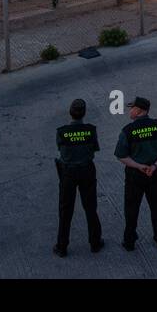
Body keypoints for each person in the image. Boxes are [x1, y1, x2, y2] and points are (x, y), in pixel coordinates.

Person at [114, 96, 157, 250]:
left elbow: (121, 156)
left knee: (131, 208)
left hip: (135, 176)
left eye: (132, 108)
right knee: (156, 207)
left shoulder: (128, 131)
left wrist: (139, 166)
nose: (130, 110)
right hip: (155, 174)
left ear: (139, 110)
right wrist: (154, 166)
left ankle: (129, 242)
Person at [54, 98, 104, 257]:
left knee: (65, 210)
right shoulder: (90, 130)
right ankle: (95, 242)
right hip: (86, 170)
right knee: (90, 207)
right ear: (84, 113)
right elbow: (95, 148)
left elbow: (60, 148)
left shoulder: (62, 132)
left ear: (70, 112)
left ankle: (62, 246)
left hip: (68, 172)